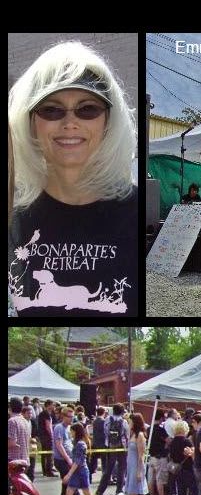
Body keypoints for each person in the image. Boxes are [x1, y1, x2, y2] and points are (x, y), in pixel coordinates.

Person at [8, 41, 138, 316]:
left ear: (107, 123)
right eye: (51, 110)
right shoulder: (13, 215)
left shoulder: (136, 212)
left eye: (87, 109)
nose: (70, 122)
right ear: (31, 122)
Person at [56, 420, 105, 495]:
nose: (70, 433)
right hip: (78, 472)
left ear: (76, 432)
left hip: (81, 472)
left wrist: (69, 474)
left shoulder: (80, 444)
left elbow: (78, 461)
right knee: (70, 492)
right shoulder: (78, 443)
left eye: (72, 431)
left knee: (87, 493)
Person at [121, 412, 162, 495]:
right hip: (131, 466)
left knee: (132, 493)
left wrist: (139, 471)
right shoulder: (133, 434)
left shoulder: (140, 435)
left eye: (130, 421)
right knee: (131, 493)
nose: (129, 423)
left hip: (136, 466)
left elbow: (141, 455)